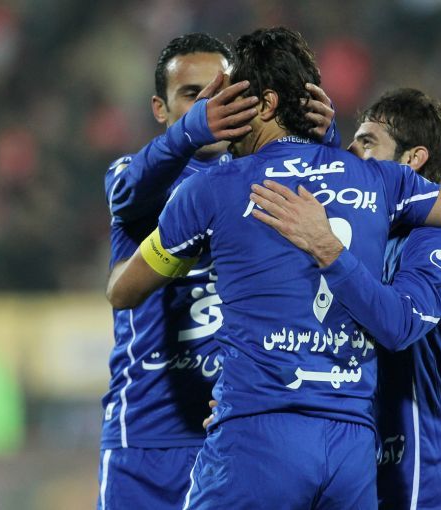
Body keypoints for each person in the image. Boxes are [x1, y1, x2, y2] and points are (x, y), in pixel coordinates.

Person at [107, 27, 441, 509]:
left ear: (265, 105)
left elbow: (123, 291)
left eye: (233, 100)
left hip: (257, 436)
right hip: (351, 450)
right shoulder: (377, 179)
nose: (220, 116)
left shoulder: (212, 188)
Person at [99, 32, 338, 510]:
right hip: (147, 435)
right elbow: (125, 194)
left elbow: (341, 202)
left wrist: (321, 141)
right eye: (193, 95)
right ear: (160, 109)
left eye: (224, 90)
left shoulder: (266, 177)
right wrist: (190, 133)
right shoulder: (138, 175)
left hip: (241, 429)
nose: (212, 104)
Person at [251, 88, 441, 508]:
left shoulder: (436, 244)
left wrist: (327, 248)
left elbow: (397, 325)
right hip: (374, 471)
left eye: (367, 143)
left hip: (433, 481)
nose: (351, 154)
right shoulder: (373, 241)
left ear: (412, 159)